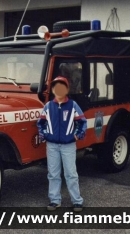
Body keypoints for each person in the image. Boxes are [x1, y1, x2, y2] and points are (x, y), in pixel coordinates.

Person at [37, 76, 87, 212]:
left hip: (68, 146)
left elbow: (82, 122)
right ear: (52, 89)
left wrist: (77, 135)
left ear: (67, 89)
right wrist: (45, 135)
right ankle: (54, 200)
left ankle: (77, 201)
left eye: (62, 87)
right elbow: (40, 123)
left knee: (71, 173)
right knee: (53, 174)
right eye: (56, 87)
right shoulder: (48, 106)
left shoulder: (73, 105)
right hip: (51, 146)